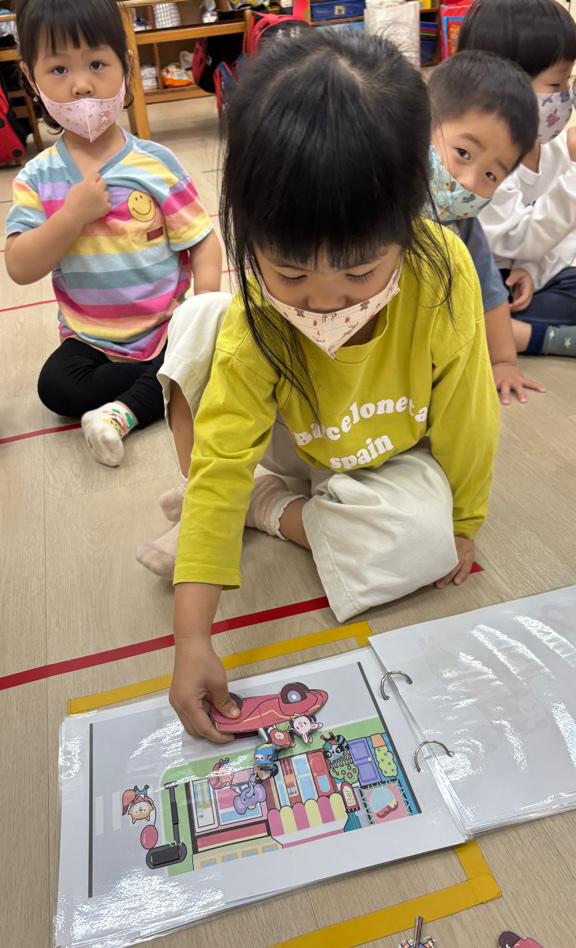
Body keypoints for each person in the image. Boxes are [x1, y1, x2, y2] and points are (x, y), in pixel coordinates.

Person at [138, 31, 499, 741]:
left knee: (422, 540)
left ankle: (266, 507)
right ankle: (246, 497)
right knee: (202, 319)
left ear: (409, 221)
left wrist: (462, 526)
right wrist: (191, 639)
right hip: (288, 437)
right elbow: (221, 463)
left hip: (384, 458)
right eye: (292, 273)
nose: (326, 301)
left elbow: (469, 416)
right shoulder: (259, 316)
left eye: (360, 273)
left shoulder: (444, 274)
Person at [4, 0, 221, 466]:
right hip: (90, 340)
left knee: (197, 350)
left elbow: (201, 239)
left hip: (163, 328)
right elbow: (19, 267)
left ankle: (119, 413)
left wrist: (202, 309)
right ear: (31, 79)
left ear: (126, 64)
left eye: (97, 64)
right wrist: (70, 217)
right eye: (58, 69)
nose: (81, 85)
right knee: (55, 388)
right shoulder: (37, 178)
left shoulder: (155, 164)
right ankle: (159, 389)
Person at [458, 0, 576, 360]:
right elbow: (518, 237)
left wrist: (531, 270)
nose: (566, 95)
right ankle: (520, 336)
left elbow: (559, 240)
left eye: (568, 80)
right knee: (465, 307)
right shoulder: (485, 164)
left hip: (527, 278)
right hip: (487, 284)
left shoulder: (552, 147)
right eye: (555, 83)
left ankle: (507, 332)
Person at [428, 50, 544, 404]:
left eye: (492, 175)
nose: (469, 181)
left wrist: (504, 362)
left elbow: (489, 293)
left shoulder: (461, 223)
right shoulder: (380, 193)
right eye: (463, 153)